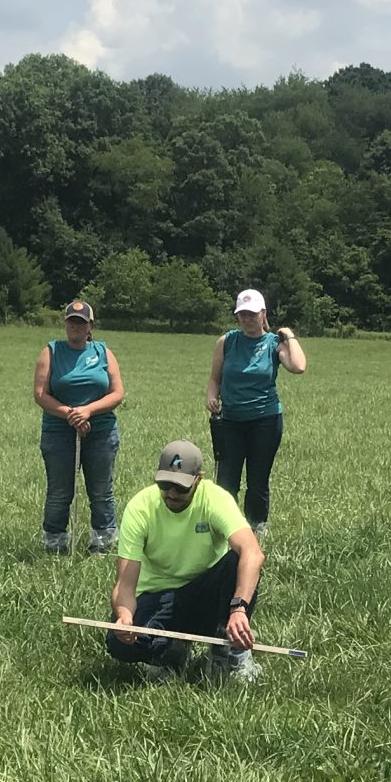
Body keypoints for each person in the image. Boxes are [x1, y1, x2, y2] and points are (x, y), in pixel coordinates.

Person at [105, 440, 267, 682]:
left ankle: (232, 653)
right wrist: (124, 615)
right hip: (157, 595)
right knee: (118, 644)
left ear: (198, 479)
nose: (171, 493)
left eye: (180, 487)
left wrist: (239, 609)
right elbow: (125, 584)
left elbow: (253, 552)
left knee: (238, 560)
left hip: (206, 592)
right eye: (165, 484)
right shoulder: (140, 508)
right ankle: (171, 652)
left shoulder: (215, 499)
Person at [205, 289, 305, 538]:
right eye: (242, 315)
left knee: (258, 479)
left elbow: (299, 366)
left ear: (263, 314)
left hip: (265, 420)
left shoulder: (273, 344)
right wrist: (211, 396)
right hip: (230, 421)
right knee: (227, 479)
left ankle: (256, 527)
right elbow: (214, 378)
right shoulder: (226, 341)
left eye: (252, 314)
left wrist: (289, 336)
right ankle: (225, 526)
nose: (247, 319)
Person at [33, 299, 126, 555]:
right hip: (58, 432)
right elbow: (41, 394)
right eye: (72, 321)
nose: (76, 326)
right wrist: (69, 414)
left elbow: (117, 393)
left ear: (90, 326)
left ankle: (103, 543)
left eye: (81, 322)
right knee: (60, 492)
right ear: (65, 324)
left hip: (101, 432)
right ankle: (55, 544)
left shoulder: (103, 352)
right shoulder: (51, 352)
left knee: (101, 491)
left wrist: (87, 411)